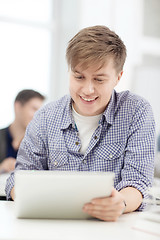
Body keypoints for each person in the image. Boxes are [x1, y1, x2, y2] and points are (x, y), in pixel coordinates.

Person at [6, 26, 155, 221]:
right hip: (53, 227)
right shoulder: (45, 117)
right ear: (69, 71)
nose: (88, 89)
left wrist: (121, 203)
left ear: (118, 77)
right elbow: (19, 178)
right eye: (79, 77)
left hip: (113, 229)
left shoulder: (136, 111)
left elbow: (138, 182)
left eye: (99, 79)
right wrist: (27, 195)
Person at [0, 89, 45, 173]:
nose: (38, 115)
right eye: (34, 109)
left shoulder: (40, 143)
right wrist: (1, 168)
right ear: (17, 107)